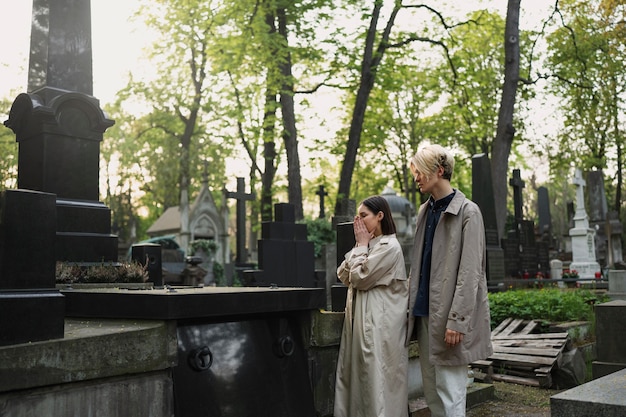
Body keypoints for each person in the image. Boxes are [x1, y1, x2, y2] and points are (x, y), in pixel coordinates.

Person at [407, 144, 492, 417]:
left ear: (439, 171)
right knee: (432, 392)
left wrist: (457, 319)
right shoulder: (424, 211)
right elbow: (418, 265)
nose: (416, 177)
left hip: (448, 318)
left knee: (450, 393)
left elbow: (471, 273)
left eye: (420, 171)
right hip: (423, 316)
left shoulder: (469, 212)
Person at [334, 195, 409, 417]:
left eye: (364, 216)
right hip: (361, 322)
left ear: (380, 216)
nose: (359, 221)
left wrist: (361, 247)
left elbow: (358, 276)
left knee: (376, 382)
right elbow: (342, 274)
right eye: (357, 216)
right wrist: (361, 246)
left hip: (378, 325)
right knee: (358, 381)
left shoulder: (390, 246)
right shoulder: (368, 246)